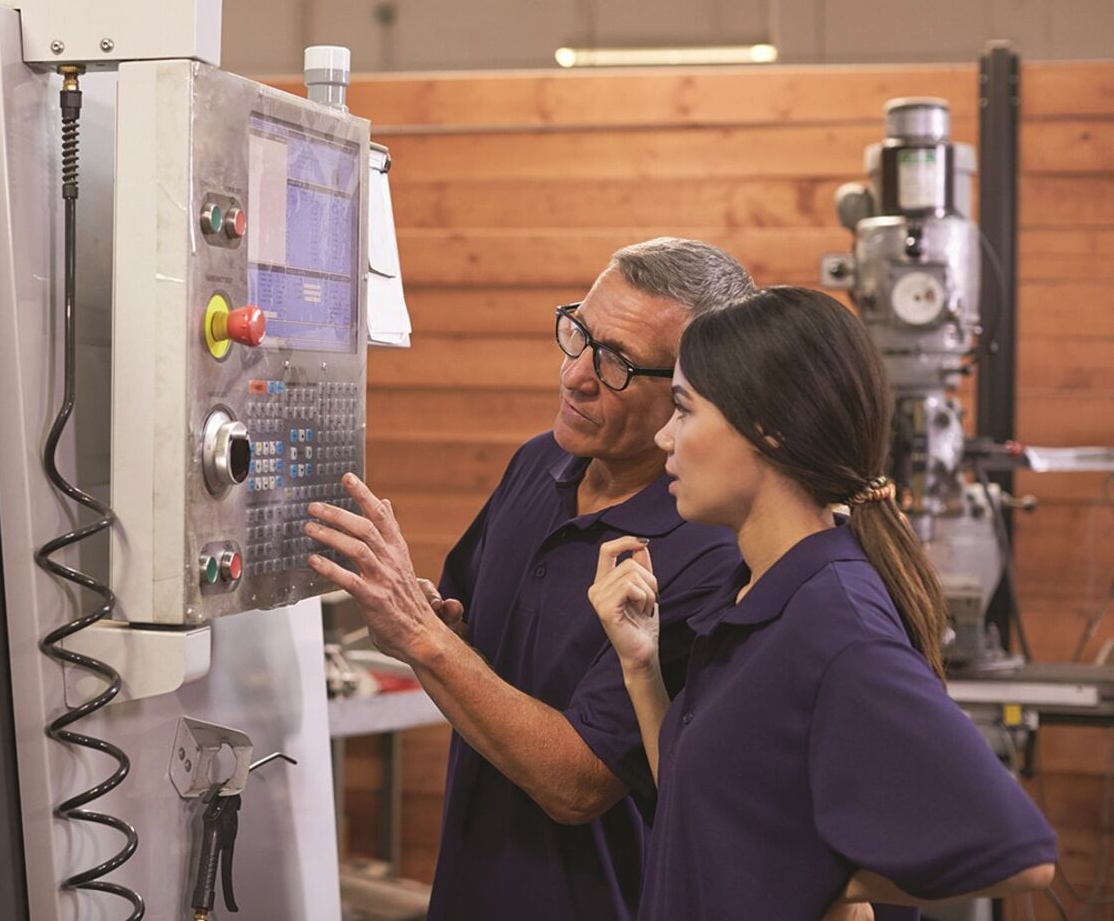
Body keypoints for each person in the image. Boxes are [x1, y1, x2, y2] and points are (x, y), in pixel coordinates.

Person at [305, 239, 755, 919]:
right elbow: (473, 648)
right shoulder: (538, 465)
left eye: (616, 364)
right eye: (579, 335)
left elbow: (578, 785)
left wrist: (426, 640)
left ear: (692, 394)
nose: (576, 376)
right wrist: (432, 625)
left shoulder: (706, 552)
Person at [589, 286, 1056, 919]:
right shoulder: (753, 592)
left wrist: (831, 885)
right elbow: (700, 807)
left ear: (770, 432)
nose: (664, 437)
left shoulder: (834, 625)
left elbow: (1017, 852)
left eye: (684, 409)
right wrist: (641, 668)